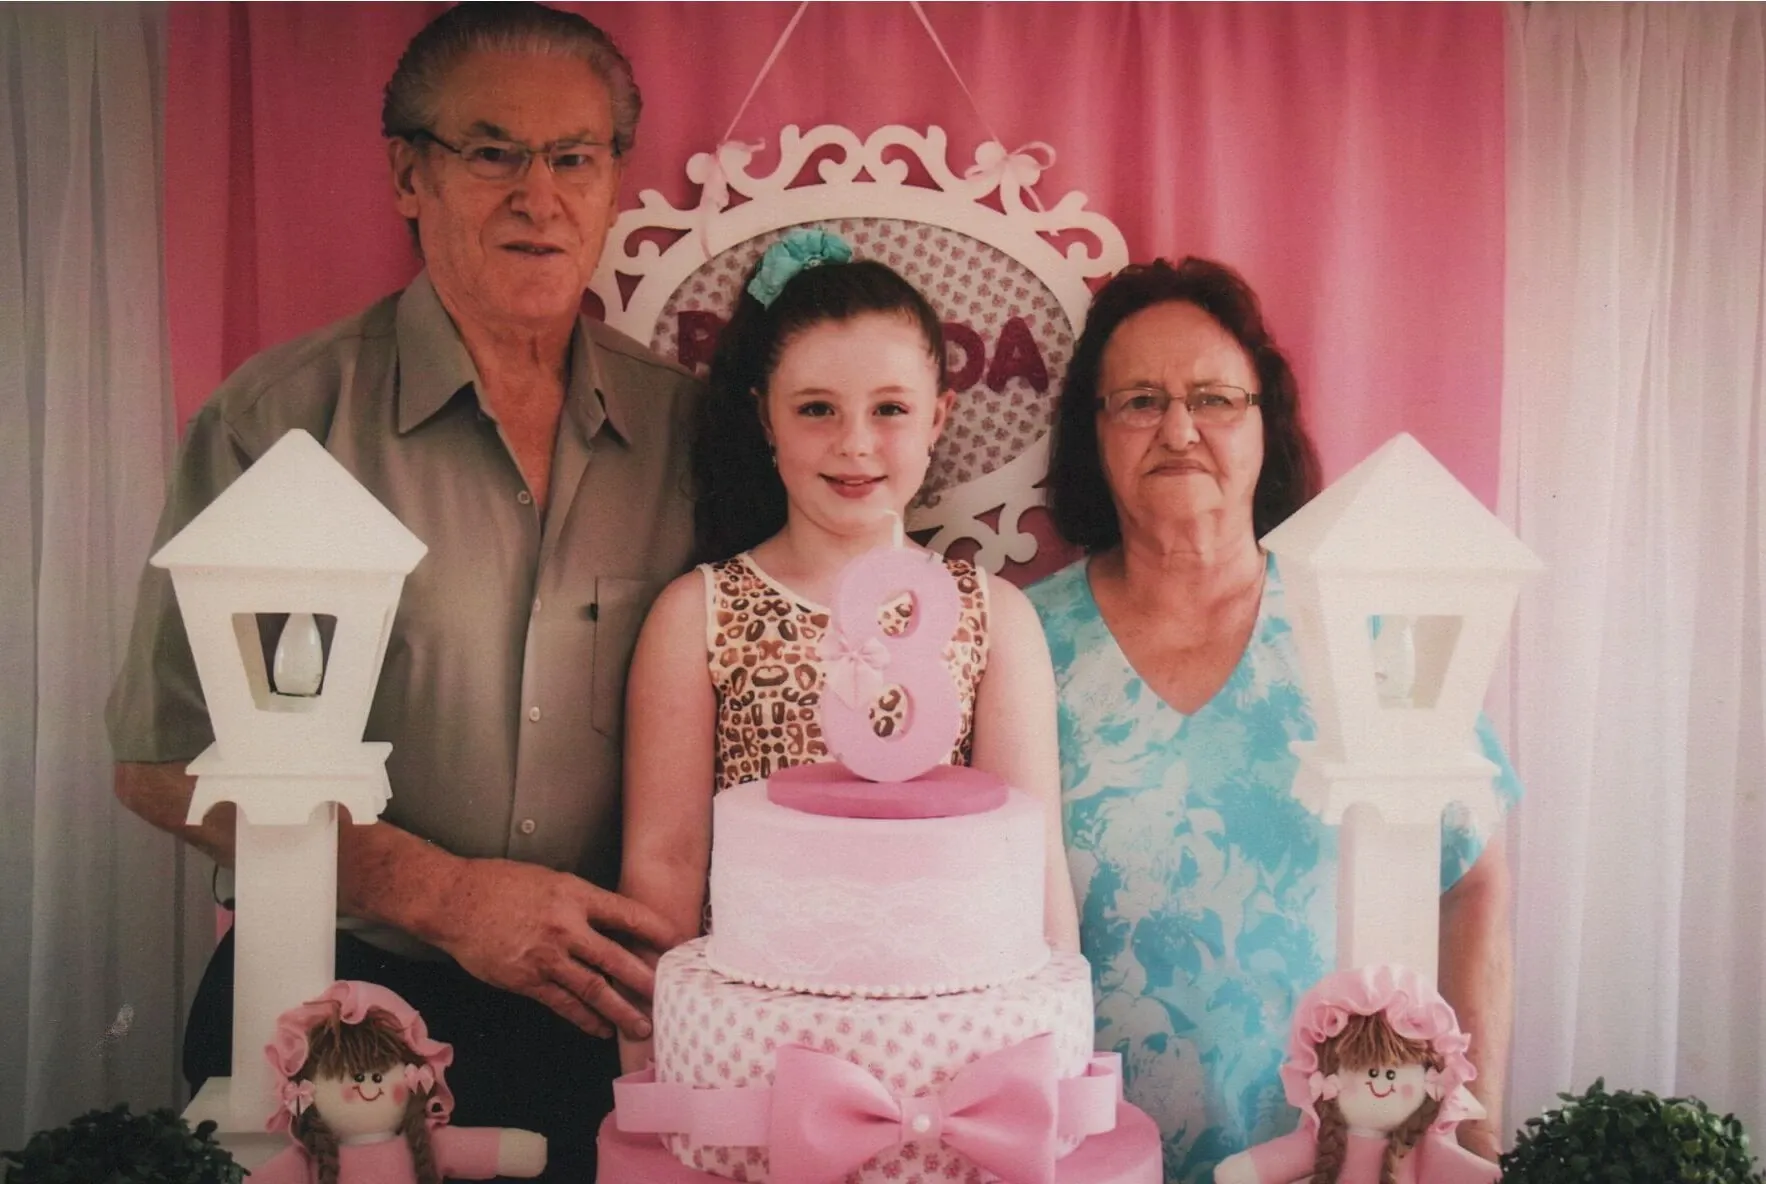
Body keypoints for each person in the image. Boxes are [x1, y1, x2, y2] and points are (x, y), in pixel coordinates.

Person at [105, 5, 696, 1177]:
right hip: (332, 1015)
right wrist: (443, 894)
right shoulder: (281, 422)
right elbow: (159, 759)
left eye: (573, 156)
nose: (539, 195)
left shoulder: (689, 428)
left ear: (612, 181)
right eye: (493, 152)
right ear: (407, 176)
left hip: (605, 1024)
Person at [1025, 258, 1519, 1184]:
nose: (1178, 430)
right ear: (1093, 433)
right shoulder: (1024, 644)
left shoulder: (1359, 623)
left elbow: (1472, 882)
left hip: (1332, 1160)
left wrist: (1472, 1140)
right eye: (1139, 402)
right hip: (1082, 1155)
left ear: (1266, 424)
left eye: (1214, 399)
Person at [615, 231, 1081, 1070]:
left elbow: (1031, 870)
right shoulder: (697, 615)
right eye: (817, 409)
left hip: (951, 1061)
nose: (856, 443)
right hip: (747, 1062)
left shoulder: (996, 619)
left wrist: (1047, 1075)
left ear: (939, 416)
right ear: (766, 417)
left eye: (890, 409)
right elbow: (664, 869)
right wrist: (654, 1089)